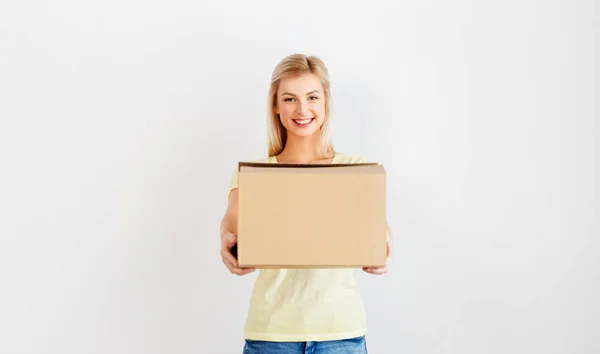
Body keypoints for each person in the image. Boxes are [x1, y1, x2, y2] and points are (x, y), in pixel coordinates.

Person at [220, 53, 393, 354]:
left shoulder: (355, 170)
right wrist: (228, 241)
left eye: (312, 97)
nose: (302, 109)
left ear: (326, 102)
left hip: (341, 335)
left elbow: (379, 231)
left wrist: (383, 250)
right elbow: (232, 222)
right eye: (289, 99)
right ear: (275, 105)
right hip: (271, 337)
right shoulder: (256, 174)